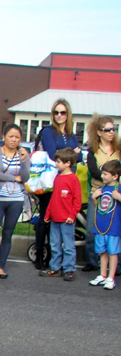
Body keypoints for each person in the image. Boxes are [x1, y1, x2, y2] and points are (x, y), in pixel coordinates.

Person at [34, 98, 81, 270]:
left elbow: (80, 157)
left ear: (68, 114)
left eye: (63, 112)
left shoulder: (71, 135)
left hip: (68, 182)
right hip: (50, 181)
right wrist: (72, 154)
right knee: (46, 217)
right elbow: (55, 155)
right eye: (56, 112)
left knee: (63, 217)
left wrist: (73, 155)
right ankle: (40, 253)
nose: (59, 115)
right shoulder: (48, 131)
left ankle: (58, 259)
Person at [0, 124, 30, 278]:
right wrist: (14, 178)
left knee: (8, 233)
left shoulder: (23, 153)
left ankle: (1, 266)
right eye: (11, 136)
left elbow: (25, 177)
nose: (13, 140)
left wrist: (24, 161)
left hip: (16, 198)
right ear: (4, 136)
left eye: (17, 137)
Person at [85, 116, 120, 273]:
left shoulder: (119, 149)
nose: (112, 132)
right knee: (92, 230)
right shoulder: (93, 150)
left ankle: (116, 266)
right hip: (98, 193)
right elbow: (93, 171)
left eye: (114, 129)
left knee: (116, 232)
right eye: (108, 130)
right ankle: (92, 262)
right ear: (99, 132)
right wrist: (108, 178)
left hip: (116, 194)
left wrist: (112, 182)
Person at [40, 148, 81, 281]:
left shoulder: (73, 179)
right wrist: (48, 213)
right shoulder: (58, 177)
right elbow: (54, 198)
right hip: (55, 218)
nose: (56, 164)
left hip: (67, 219)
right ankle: (55, 267)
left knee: (68, 245)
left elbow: (77, 200)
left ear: (68, 163)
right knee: (54, 244)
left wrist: (72, 215)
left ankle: (69, 269)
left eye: (58, 162)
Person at [88, 160, 121, 289]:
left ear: (115, 176)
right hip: (101, 226)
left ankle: (110, 278)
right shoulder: (101, 188)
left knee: (112, 253)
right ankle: (102, 275)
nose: (102, 176)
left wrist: (118, 197)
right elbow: (99, 207)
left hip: (113, 227)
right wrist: (94, 198)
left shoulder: (118, 188)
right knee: (102, 252)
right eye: (103, 174)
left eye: (106, 174)